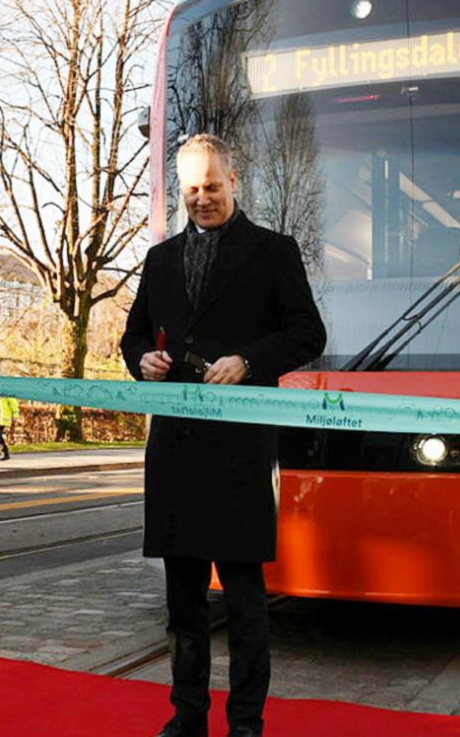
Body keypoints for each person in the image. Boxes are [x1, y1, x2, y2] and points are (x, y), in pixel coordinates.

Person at [121, 134, 326, 737]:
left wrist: (249, 360)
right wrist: (141, 360)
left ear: (234, 181)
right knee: (182, 603)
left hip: (239, 451)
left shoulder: (273, 250)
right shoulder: (160, 259)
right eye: (191, 189)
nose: (202, 198)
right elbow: (134, 336)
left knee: (244, 602)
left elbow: (308, 333)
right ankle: (187, 716)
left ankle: (245, 724)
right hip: (175, 450)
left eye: (212, 186)